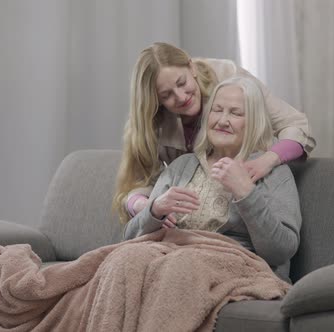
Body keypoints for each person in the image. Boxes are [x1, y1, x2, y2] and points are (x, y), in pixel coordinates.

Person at [113, 42, 315, 223]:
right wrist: (145, 207)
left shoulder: (231, 77)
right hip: (188, 229)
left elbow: (296, 125)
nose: (181, 97)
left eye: (182, 83)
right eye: (166, 95)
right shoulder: (157, 133)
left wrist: (268, 160)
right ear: (157, 102)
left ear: (191, 67)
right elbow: (137, 185)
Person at [123, 77, 302, 276]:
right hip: (170, 261)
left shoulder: (273, 173)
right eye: (217, 110)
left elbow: (281, 251)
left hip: (235, 269)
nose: (222, 121)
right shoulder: (182, 166)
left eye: (235, 113)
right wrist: (154, 211)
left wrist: (246, 193)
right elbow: (130, 238)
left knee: (173, 267)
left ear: (254, 122)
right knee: (117, 261)